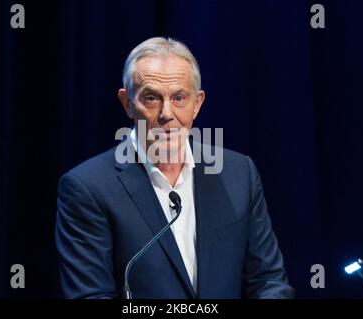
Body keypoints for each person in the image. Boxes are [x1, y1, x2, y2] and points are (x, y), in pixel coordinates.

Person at [55, 37, 294, 299]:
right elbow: (91, 295)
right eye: (151, 98)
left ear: (197, 103)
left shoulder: (238, 174)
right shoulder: (88, 187)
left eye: (179, 97)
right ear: (127, 103)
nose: (167, 113)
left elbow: (268, 281)